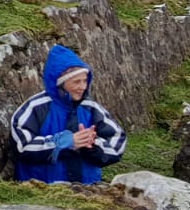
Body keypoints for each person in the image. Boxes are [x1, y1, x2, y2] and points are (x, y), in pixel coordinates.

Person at [10, 44, 127, 184]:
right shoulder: (34, 108)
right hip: (41, 192)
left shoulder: (92, 109)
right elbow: (22, 147)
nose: (83, 87)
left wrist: (92, 144)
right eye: (77, 82)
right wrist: (64, 143)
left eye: (85, 81)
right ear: (60, 83)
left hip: (86, 192)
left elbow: (117, 142)